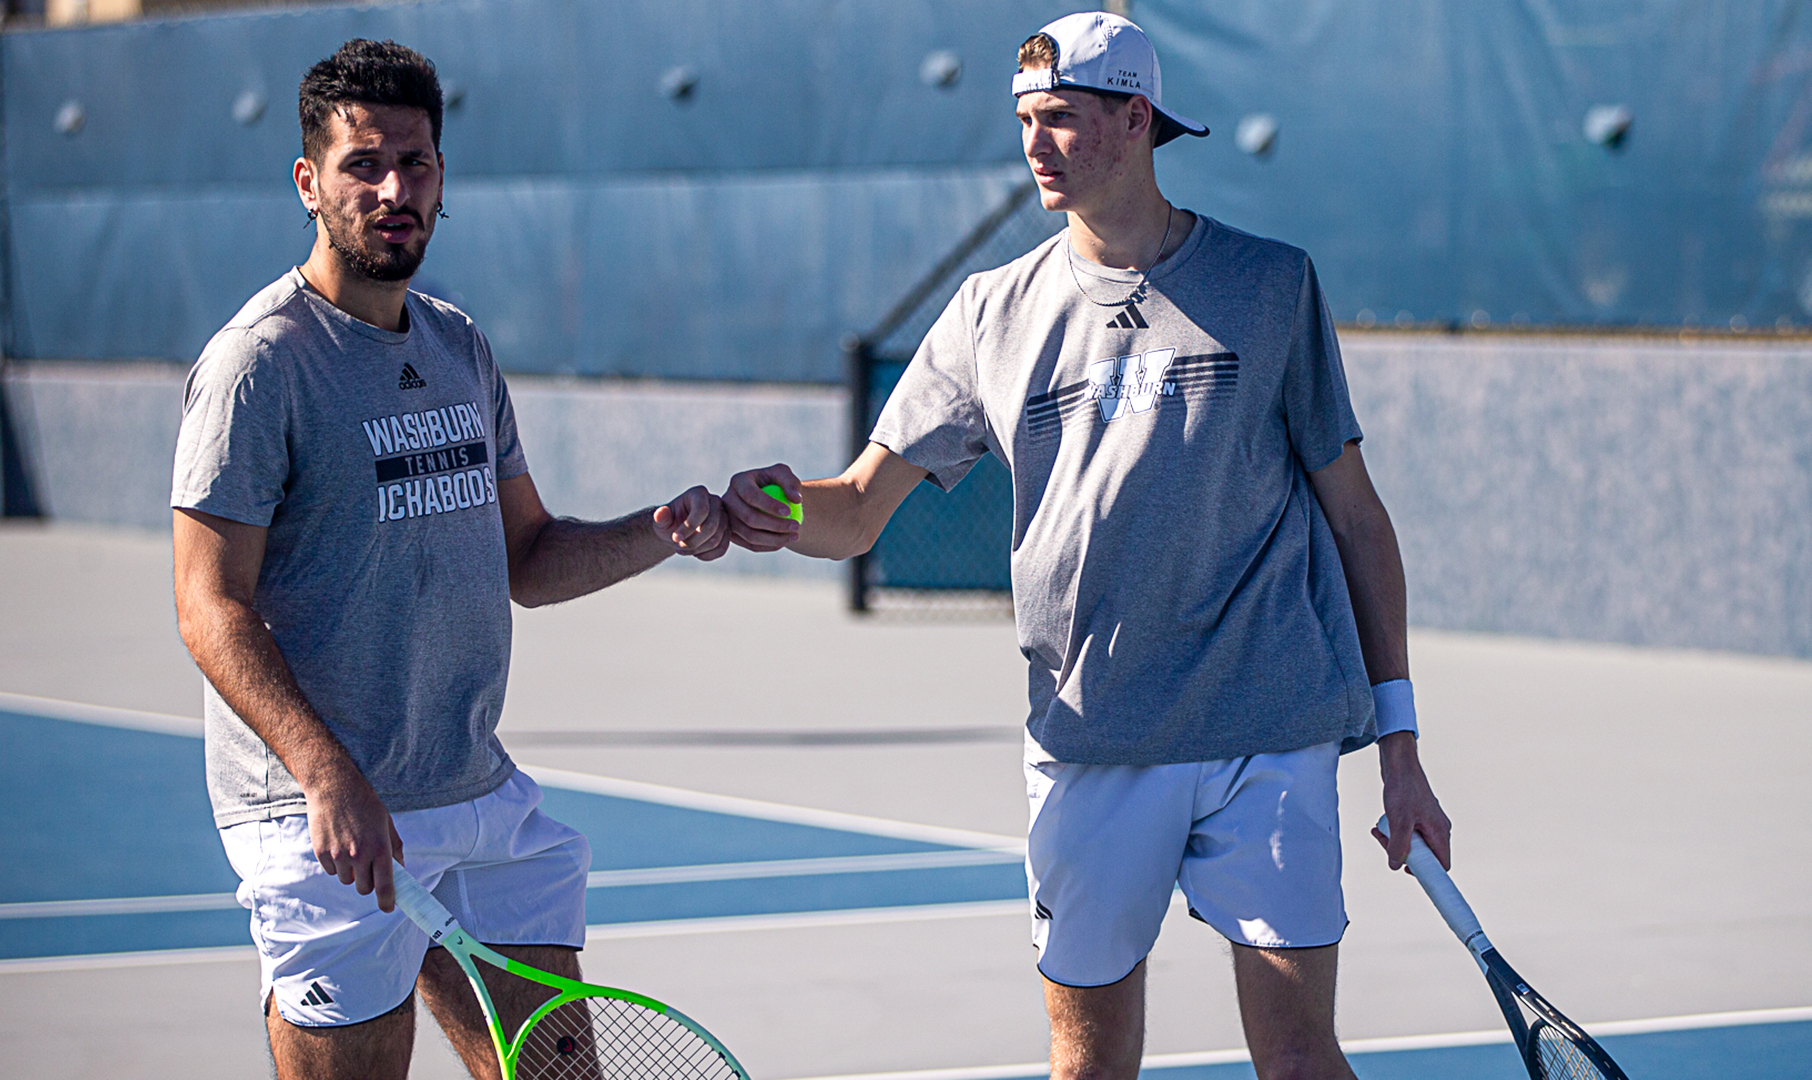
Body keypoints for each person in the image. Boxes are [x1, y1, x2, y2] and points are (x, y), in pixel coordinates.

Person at [723, 12, 1450, 1080]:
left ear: (1137, 118)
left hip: (1268, 731)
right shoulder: (988, 312)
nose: (1036, 142)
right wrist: (778, 512)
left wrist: (1400, 742)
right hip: (1088, 738)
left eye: (1061, 116)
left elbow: (1357, 518)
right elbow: (858, 510)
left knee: (1299, 1058)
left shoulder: (1272, 285)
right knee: (1087, 1064)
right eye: (1025, 118)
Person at [169, 39, 728, 1080]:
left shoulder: (457, 345)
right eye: (363, 165)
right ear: (308, 182)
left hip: (474, 794)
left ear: (441, 174)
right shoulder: (260, 364)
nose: (394, 191)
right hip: (323, 814)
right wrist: (326, 773)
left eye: (415, 163)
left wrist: (659, 529)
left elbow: (530, 556)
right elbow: (209, 604)